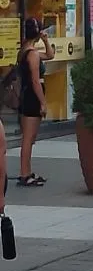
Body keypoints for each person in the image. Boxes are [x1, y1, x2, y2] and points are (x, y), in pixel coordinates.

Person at [16, 18, 53, 187]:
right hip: (32, 96)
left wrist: (46, 41)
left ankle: (27, 171)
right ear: (37, 33)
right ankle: (25, 174)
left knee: (29, 138)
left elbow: (50, 55)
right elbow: (35, 81)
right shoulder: (33, 54)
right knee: (28, 138)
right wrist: (43, 103)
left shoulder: (25, 51)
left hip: (26, 95)